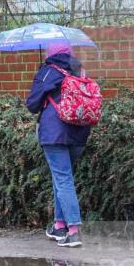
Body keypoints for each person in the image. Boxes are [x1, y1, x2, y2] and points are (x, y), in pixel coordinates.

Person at [25, 42, 91, 248]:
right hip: (80, 131)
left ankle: (73, 231)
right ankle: (59, 225)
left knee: (63, 179)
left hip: (55, 132)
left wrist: (41, 79)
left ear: (50, 53)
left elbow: (32, 104)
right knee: (61, 176)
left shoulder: (48, 70)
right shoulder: (80, 69)